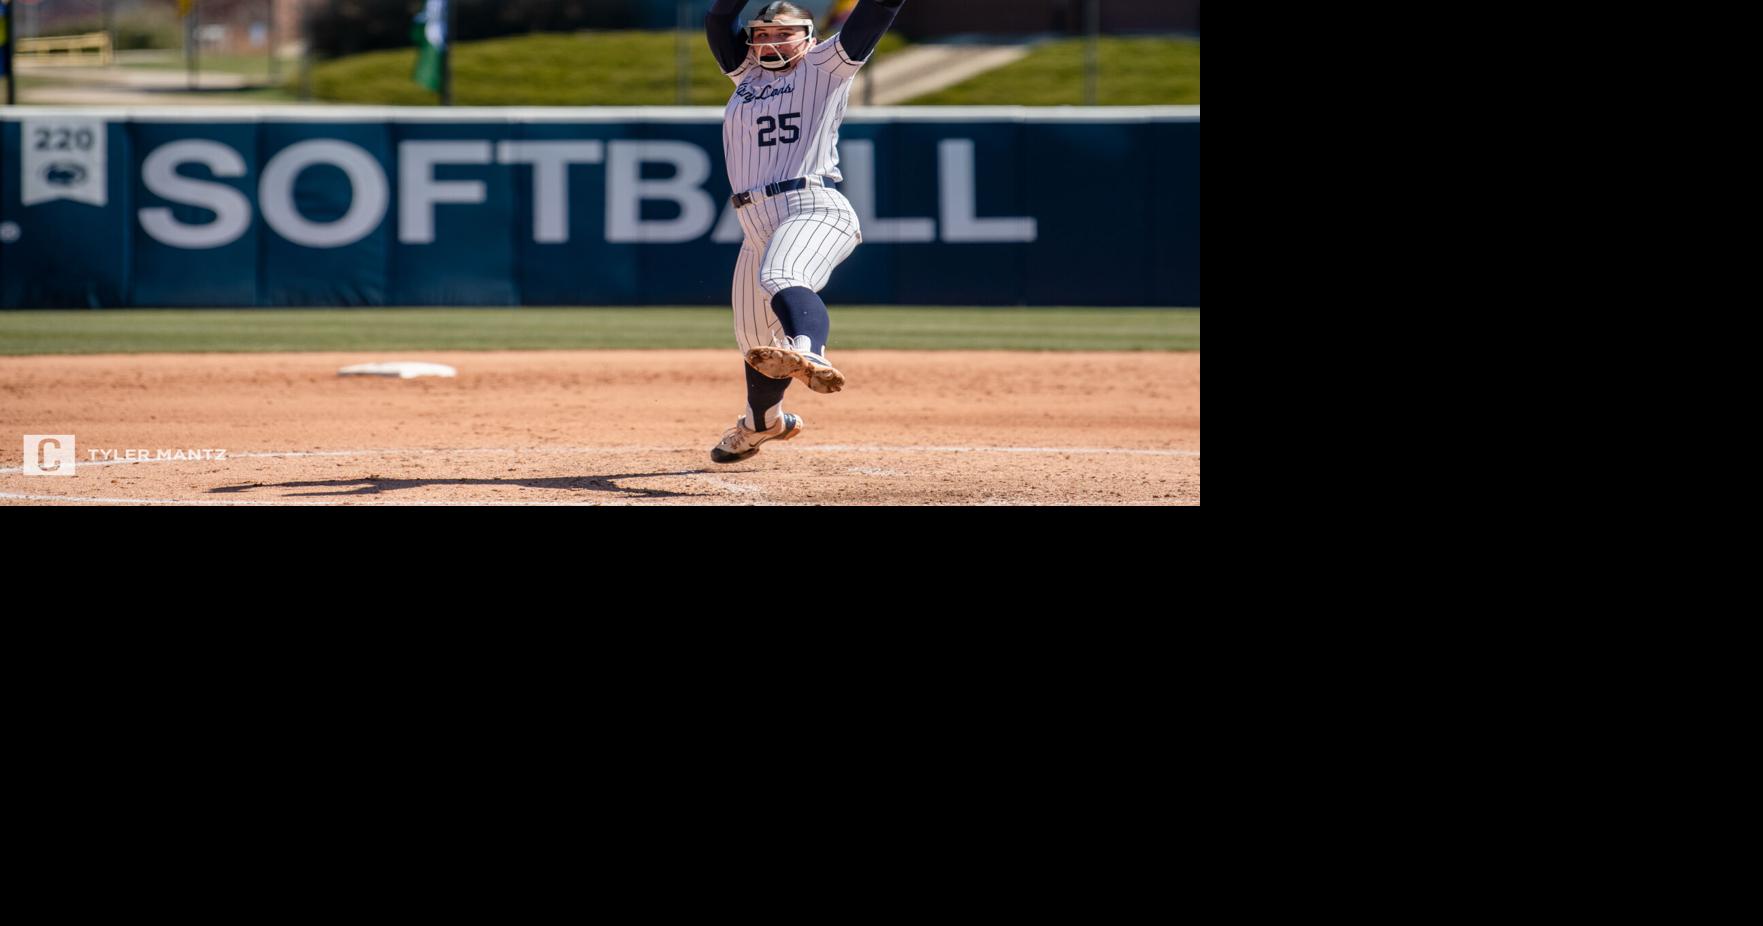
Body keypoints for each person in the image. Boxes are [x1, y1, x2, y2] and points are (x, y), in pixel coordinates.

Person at [703, 0, 906, 464]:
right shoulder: (746, 75)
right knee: (754, 344)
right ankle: (762, 424)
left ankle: (810, 351)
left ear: (808, 36)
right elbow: (718, 19)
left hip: (812, 204)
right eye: (763, 34)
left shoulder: (825, 65)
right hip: (754, 223)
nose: (770, 42)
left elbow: (878, 10)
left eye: (783, 33)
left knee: (782, 275)